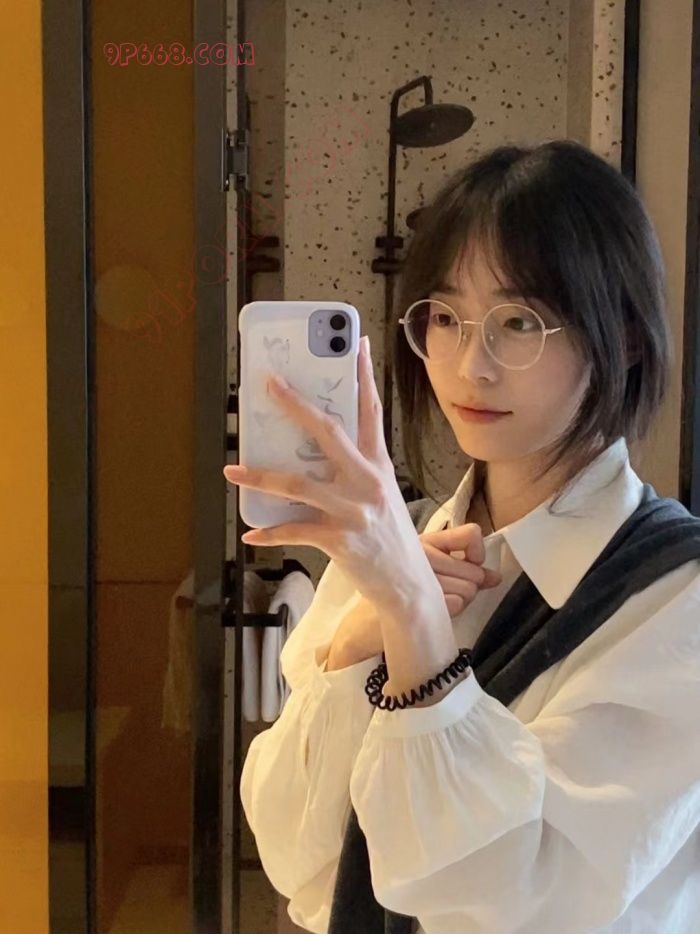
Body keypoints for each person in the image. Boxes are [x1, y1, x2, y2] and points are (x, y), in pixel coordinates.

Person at [239, 140, 700, 933]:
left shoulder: (675, 597)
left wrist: (417, 626)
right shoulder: (392, 551)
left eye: (519, 321)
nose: (470, 366)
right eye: (446, 318)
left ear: (624, 337)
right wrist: (353, 647)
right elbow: (297, 862)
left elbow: (523, 905)